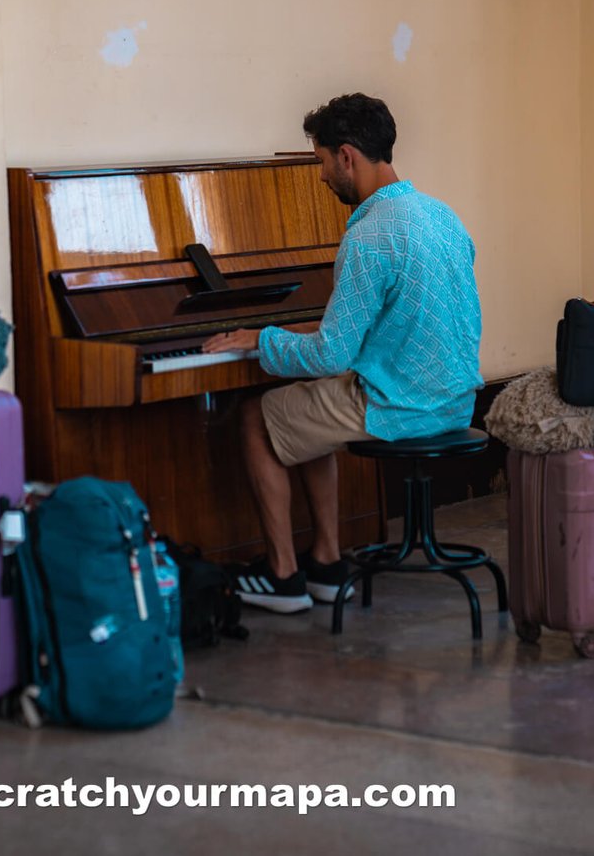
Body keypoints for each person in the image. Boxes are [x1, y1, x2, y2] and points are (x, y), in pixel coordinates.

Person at [201, 93, 482, 613]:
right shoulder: (442, 217)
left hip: (400, 407)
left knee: (255, 417)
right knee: (306, 406)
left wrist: (260, 340)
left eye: (322, 162)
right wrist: (282, 330)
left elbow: (331, 354)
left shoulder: (370, 234)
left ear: (346, 155)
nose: (323, 177)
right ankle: (327, 565)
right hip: (454, 399)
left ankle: (283, 576)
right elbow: (381, 319)